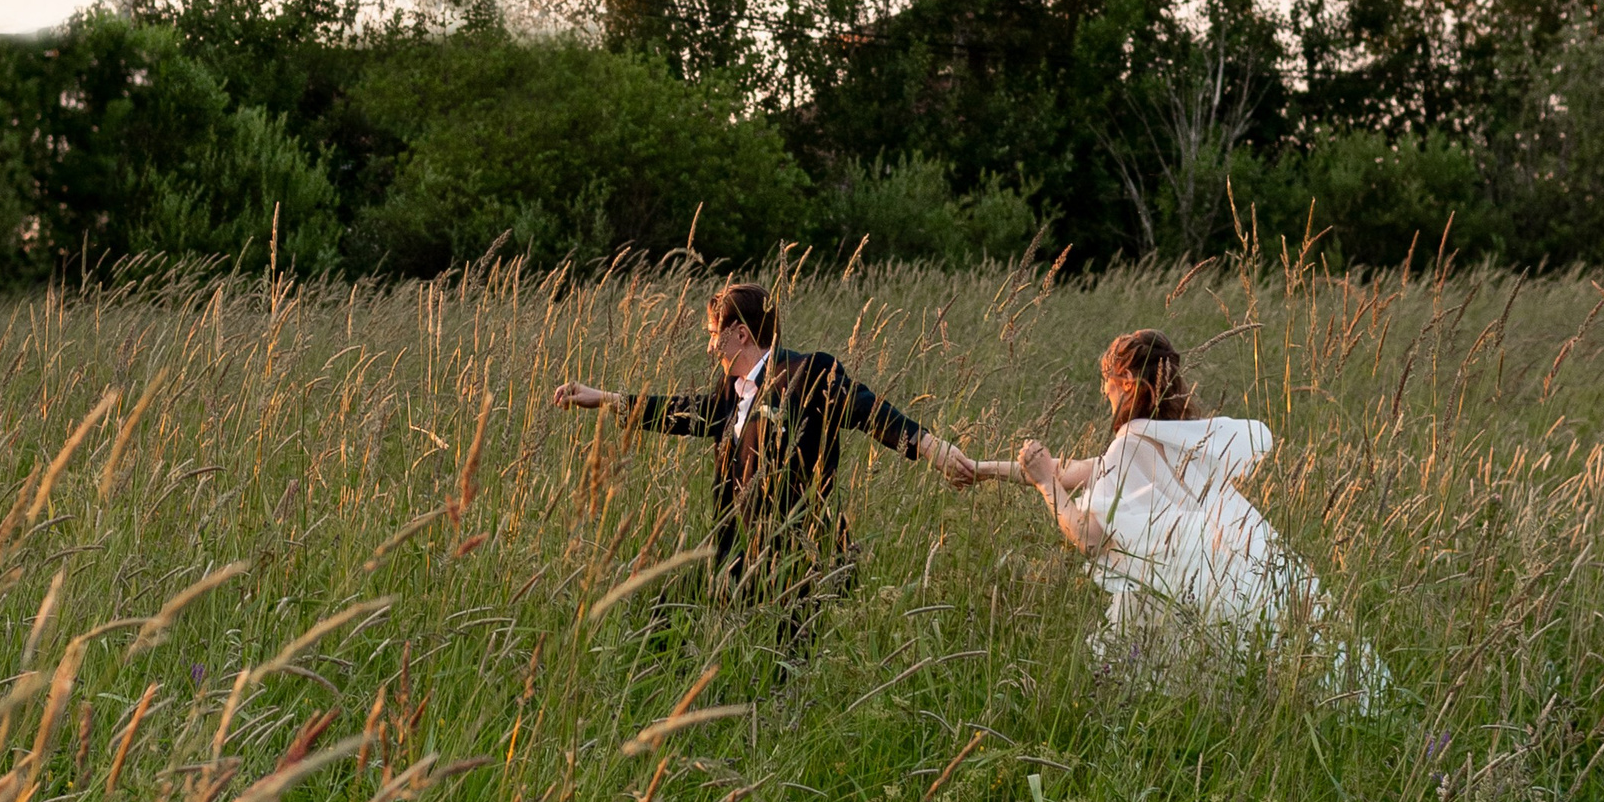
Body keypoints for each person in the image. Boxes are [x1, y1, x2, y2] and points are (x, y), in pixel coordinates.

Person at [552, 281, 978, 640]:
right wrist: (606, 400)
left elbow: (866, 409)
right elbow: (683, 412)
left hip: (797, 557)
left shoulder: (804, 372)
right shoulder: (730, 391)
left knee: (783, 674)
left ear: (739, 333)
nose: (708, 345)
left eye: (712, 332)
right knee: (665, 623)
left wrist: (931, 447)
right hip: (736, 550)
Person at [970, 328, 1308, 630]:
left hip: (1168, 603)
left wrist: (1046, 485)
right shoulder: (1177, 438)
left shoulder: (1130, 447)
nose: (1104, 389)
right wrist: (979, 469)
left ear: (1127, 381)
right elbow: (1062, 470)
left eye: (1107, 378)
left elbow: (1089, 539)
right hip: (1214, 587)